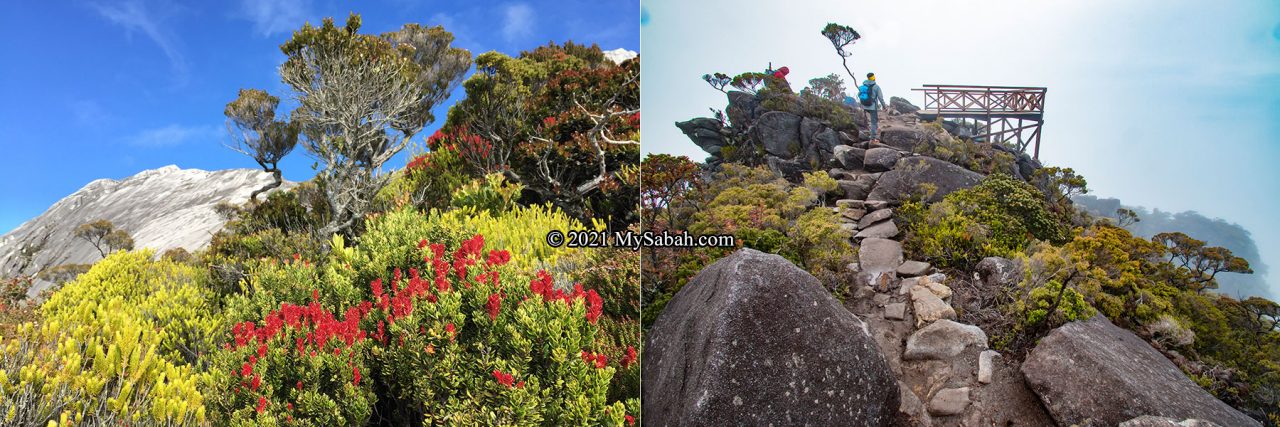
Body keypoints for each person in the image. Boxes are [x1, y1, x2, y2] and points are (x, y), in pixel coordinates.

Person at [857, 72, 887, 141]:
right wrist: (884, 107)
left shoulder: (864, 86)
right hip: (872, 107)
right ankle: (873, 138)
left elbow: (859, 94)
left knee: (867, 120)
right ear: (874, 78)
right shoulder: (876, 87)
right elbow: (880, 98)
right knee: (874, 122)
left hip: (864, 106)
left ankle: (869, 133)